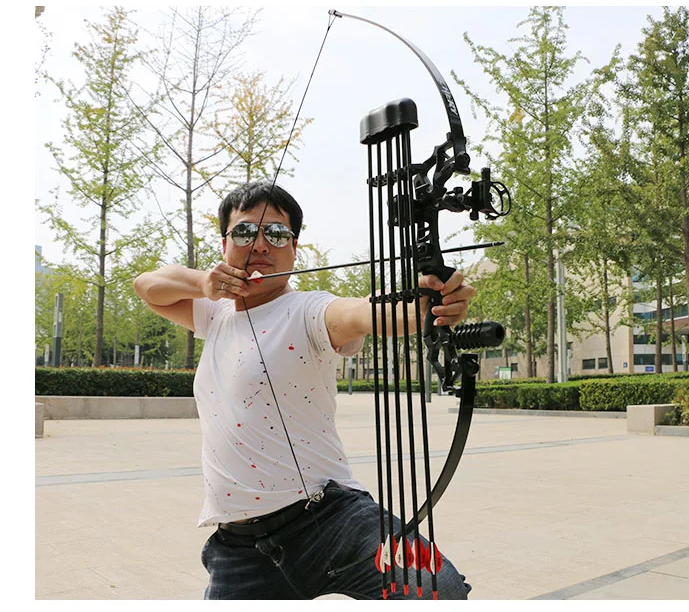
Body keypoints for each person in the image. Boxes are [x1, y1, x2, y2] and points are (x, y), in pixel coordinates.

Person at [134, 179, 473, 600]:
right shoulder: (214, 314)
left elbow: (364, 312)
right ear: (224, 244)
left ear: (294, 248)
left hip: (330, 520)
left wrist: (428, 304)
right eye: (244, 232)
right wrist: (204, 282)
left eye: (277, 233)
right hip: (241, 546)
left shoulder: (308, 310)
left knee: (439, 590)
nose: (260, 244)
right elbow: (148, 285)